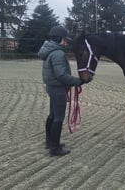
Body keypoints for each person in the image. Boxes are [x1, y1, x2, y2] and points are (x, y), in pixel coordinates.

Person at [38, 26, 84, 156]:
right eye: (64, 40)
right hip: (57, 88)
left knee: (52, 115)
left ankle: (49, 141)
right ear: (58, 39)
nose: (65, 42)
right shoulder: (58, 53)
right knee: (58, 117)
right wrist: (77, 81)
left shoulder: (49, 50)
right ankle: (55, 147)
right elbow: (61, 75)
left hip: (51, 87)